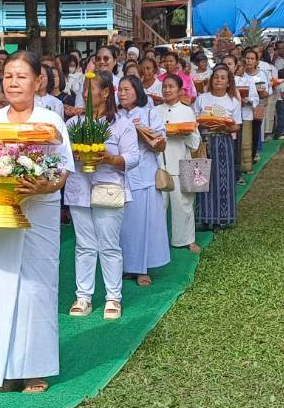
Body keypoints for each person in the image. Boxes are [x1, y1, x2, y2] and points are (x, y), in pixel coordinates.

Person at [0, 52, 73, 393]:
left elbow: (62, 171)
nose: (13, 82)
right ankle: (1, 370)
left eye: (21, 76)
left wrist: (44, 185)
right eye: (8, 75)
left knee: (36, 290)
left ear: (37, 81)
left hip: (39, 213)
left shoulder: (52, 119)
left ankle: (35, 369)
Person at [65, 71, 139, 320]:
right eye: (82, 91)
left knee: (108, 245)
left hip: (108, 190)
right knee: (84, 245)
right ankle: (83, 297)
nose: (83, 95)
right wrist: (73, 155)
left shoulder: (121, 124)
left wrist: (109, 158)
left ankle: (113, 298)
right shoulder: (73, 124)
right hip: (79, 190)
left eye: (89, 91)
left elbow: (133, 157)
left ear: (106, 93)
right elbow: (62, 157)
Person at [118, 76, 170, 287]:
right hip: (122, 174)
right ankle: (127, 266)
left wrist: (145, 135)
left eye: (126, 89)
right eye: (120, 89)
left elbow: (161, 141)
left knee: (144, 223)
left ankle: (143, 269)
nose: (122, 93)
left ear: (137, 91)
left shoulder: (149, 112)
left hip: (145, 174)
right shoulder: (115, 115)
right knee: (125, 225)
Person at [158, 73, 201, 254]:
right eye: (164, 86)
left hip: (180, 163)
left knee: (183, 204)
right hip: (159, 165)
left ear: (179, 90)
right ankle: (156, 241)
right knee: (158, 206)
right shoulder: (154, 111)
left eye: (171, 87)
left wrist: (184, 134)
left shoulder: (187, 111)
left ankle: (186, 239)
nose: (167, 90)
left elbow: (195, 143)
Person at [194, 65, 241, 230]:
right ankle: (205, 218)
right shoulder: (201, 98)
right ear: (211, 80)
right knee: (203, 179)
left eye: (223, 78)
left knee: (223, 179)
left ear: (229, 82)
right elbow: (194, 120)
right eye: (216, 77)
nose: (218, 80)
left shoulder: (233, 101)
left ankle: (222, 218)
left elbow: (237, 126)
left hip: (223, 141)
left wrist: (224, 127)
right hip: (204, 141)